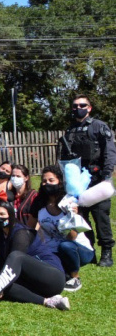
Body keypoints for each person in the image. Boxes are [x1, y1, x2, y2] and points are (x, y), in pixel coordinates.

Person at [58, 94, 116, 267]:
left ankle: (107, 253)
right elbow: (65, 158)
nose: (78, 108)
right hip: (77, 181)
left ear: (89, 108)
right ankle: (89, 252)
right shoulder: (70, 130)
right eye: (75, 106)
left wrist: (107, 175)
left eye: (82, 105)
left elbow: (110, 151)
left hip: (97, 179)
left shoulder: (99, 126)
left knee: (101, 217)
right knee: (81, 218)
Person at [30, 165, 95, 292]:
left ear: (59, 181)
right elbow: (30, 227)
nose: (47, 183)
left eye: (51, 180)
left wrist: (71, 216)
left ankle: (75, 278)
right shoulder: (39, 202)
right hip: (52, 250)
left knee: (65, 246)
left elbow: (72, 237)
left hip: (78, 250)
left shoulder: (69, 201)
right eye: (44, 181)